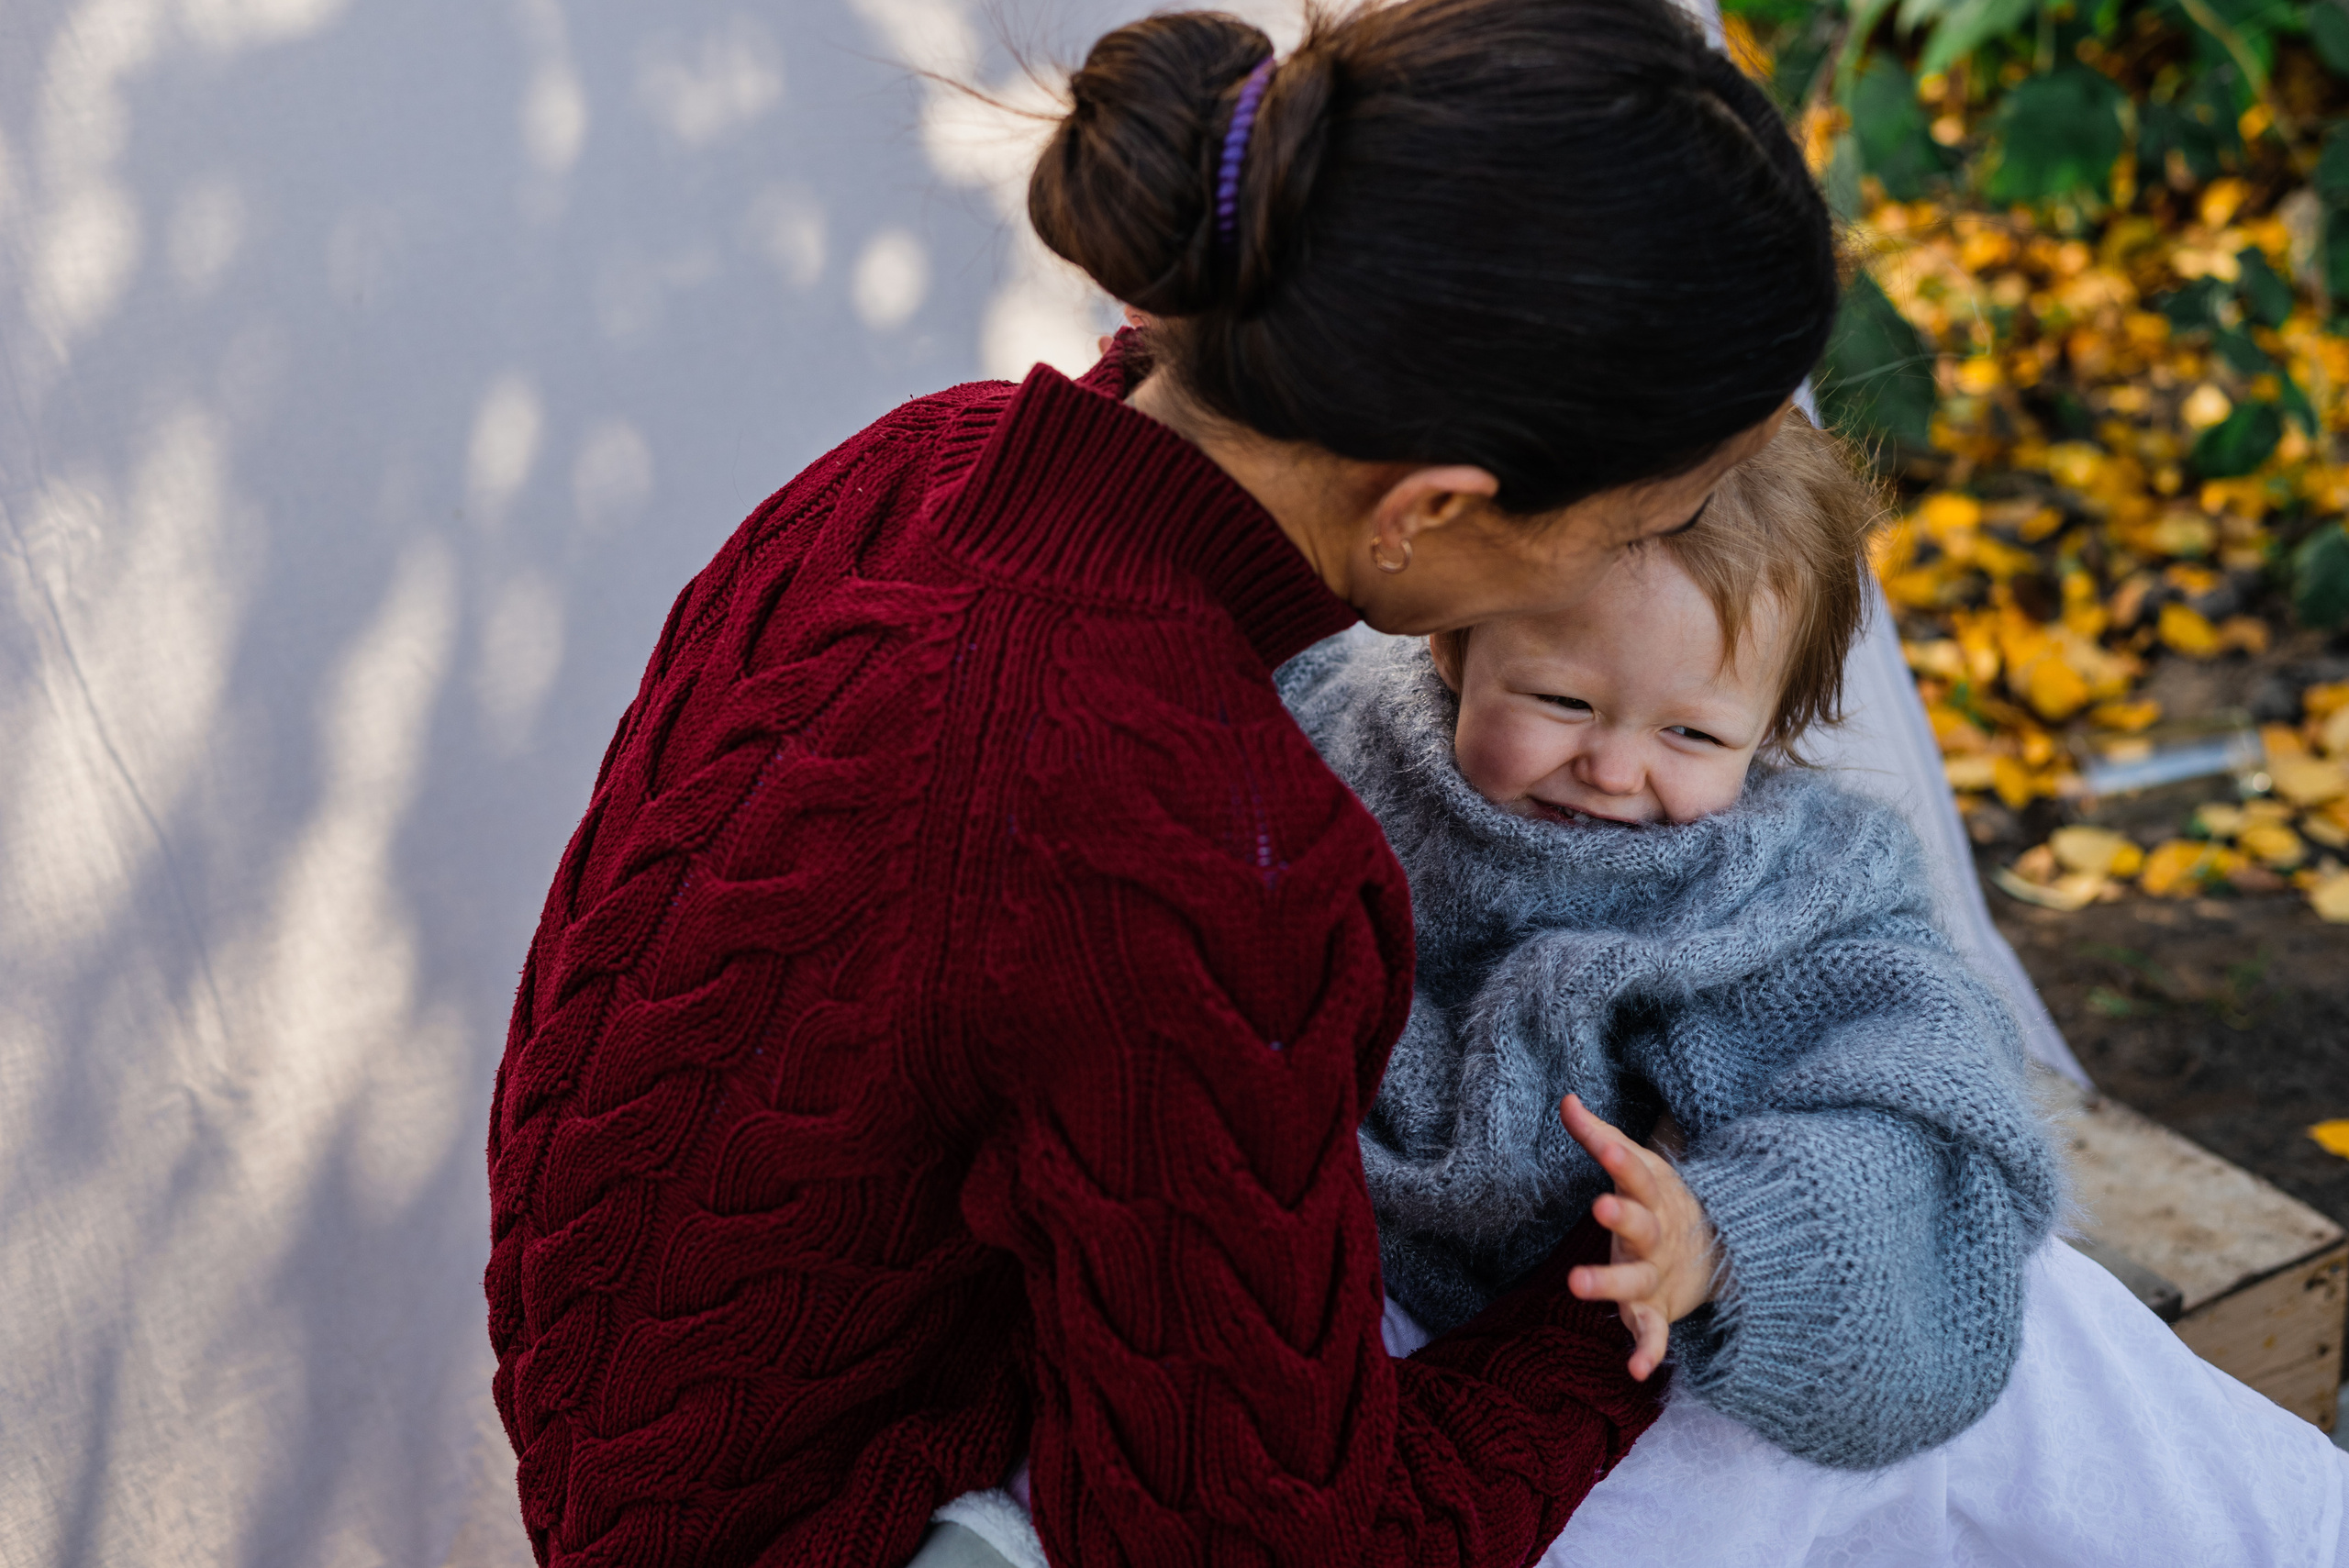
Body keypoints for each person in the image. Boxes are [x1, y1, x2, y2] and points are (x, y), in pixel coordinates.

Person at [482, 0, 1837, 1563]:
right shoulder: (1200, 834)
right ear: (1433, 505)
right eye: (1640, 519)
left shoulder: (901, 472)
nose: (1632, 558)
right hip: (877, 1526)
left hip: (633, 1462)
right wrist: (1649, 1260)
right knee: (1858, 1422)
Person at [1283, 413, 2065, 1471]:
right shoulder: (1327, 733)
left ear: (1775, 727)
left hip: (1633, 1323)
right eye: (1562, 700)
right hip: (1330, 1278)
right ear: (1453, 638)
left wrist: (1721, 1241)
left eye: (1690, 733)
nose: (1611, 768)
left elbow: (1912, 1103)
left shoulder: (1782, 890)